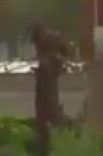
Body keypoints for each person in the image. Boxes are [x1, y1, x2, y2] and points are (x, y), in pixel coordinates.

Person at [29, 23, 69, 155]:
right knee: (47, 116)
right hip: (48, 77)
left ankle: (46, 143)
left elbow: (55, 55)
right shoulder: (46, 42)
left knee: (46, 117)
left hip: (47, 89)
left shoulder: (45, 42)